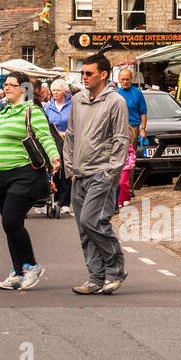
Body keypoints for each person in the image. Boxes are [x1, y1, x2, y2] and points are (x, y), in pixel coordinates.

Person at [0, 70, 60, 291]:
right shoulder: (4, 111)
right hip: (1, 175)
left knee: (10, 220)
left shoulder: (32, 111)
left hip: (25, 173)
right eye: (5, 84)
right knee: (11, 226)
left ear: (24, 89)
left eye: (11, 84)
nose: (6, 88)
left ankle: (32, 266)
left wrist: (54, 156)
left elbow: (45, 135)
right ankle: (18, 272)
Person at [66, 53, 130, 295]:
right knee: (84, 230)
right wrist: (70, 166)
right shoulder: (78, 99)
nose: (84, 77)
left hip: (101, 174)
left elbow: (121, 140)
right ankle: (95, 277)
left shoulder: (116, 102)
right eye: (82, 73)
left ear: (103, 75)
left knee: (92, 221)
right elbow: (71, 134)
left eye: (89, 73)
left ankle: (115, 270)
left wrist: (110, 173)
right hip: (79, 174)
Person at [115, 68, 148, 208]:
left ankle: (129, 190)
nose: (125, 81)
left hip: (133, 128)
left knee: (130, 160)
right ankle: (118, 190)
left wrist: (143, 129)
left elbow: (143, 112)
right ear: (118, 79)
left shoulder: (137, 93)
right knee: (117, 158)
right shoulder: (115, 93)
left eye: (127, 79)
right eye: (122, 79)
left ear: (131, 79)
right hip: (117, 127)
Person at [44, 79, 73, 214]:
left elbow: (77, 122)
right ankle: (54, 199)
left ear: (65, 91)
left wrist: (67, 132)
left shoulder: (72, 104)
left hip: (69, 141)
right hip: (54, 142)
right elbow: (45, 125)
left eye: (58, 90)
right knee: (54, 171)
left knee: (66, 171)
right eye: (53, 90)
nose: (55, 92)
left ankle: (65, 202)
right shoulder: (48, 107)